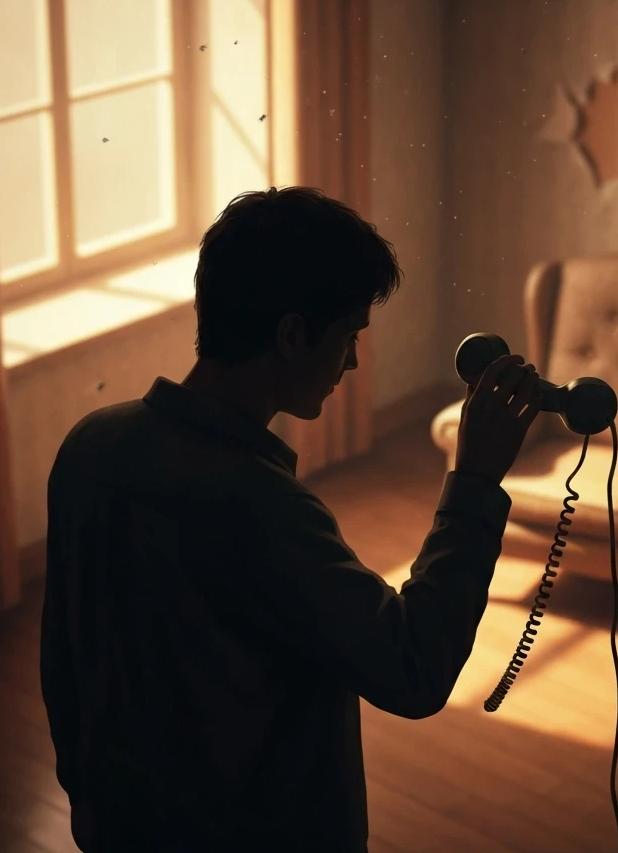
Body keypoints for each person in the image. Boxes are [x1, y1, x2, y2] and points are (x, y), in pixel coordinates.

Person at [40, 185, 543, 852]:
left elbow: (62, 656)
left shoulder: (88, 446)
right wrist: (475, 483)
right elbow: (413, 669)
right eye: (349, 335)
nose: (355, 360)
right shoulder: (260, 507)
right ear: (292, 335)